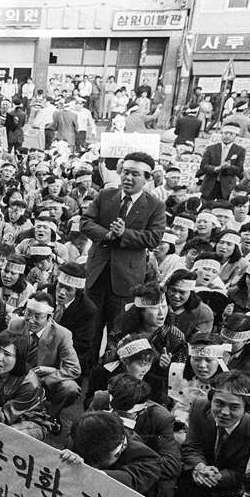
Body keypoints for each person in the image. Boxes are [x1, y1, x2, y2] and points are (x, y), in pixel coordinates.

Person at [80, 151, 166, 362]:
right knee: (90, 328)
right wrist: (107, 234)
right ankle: (85, 370)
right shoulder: (105, 195)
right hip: (97, 273)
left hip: (126, 280)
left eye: (135, 174)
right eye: (125, 172)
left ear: (147, 179)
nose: (128, 178)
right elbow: (86, 222)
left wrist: (124, 234)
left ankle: (111, 370)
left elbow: (154, 238)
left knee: (117, 330)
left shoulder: (155, 205)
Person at [178, 371, 250, 497]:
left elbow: (248, 471)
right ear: (211, 400)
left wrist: (219, 476)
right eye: (219, 403)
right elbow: (192, 446)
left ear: (246, 408)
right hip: (197, 478)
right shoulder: (199, 407)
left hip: (231, 489)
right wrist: (200, 467)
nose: (224, 412)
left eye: (234, 407)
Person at [7, 292, 82, 419]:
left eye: (37, 316)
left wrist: (49, 374)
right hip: (16, 376)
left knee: (70, 388)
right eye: (28, 313)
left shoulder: (62, 334)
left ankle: (49, 417)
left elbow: (74, 369)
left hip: (44, 381)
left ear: (49, 317)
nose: (31, 320)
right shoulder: (15, 324)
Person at [198, 123, 246, 201]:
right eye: (225, 133)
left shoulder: (240, 150)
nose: (227, 136)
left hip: (227, 186)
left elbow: (240, 169)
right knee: (205, 204)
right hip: (209, 184)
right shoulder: (211, 148)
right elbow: (203, 166)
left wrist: (229, 167)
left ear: (236, 136)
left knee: (223, 206)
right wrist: (215, 168)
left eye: (231, 134)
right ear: (221, 134)